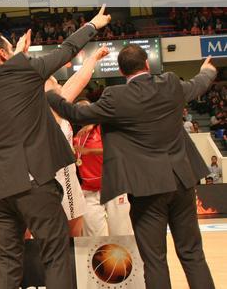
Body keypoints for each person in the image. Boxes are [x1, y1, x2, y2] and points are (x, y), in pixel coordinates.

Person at [0, 6, 110, 288]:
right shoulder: (26, 72)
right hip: (32, 184)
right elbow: (67, 49)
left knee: (7, 262)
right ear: (4, 55)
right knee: (55, 255)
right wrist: (93, 24)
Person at [46, 46, 216, 289]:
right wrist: (207, 71)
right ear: (147, 64)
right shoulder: (169, 83)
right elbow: (198, 84)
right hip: (182, 182)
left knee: (155, 260)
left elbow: (76, 113)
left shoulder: (116, 97)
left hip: (146, 189)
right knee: (193, 254)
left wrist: (52, 94)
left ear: (121, 70)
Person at [44, 45, 110, 237]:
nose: (59, 84)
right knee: (72, 241)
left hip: (50, 183)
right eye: (55, 83)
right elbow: (79, 81)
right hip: (63, 184)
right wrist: (92, 59)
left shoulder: (43, 111)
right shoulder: (51, 108)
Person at [73, 99, 133, 237]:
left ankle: (128, 259)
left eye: (85, 111)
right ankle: (100, 259)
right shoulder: (77, 135)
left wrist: (90, 151)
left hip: (113, 187)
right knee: (95, 236)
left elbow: (118, 149)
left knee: (121, 233)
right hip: (89, 191)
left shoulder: (105, 128)